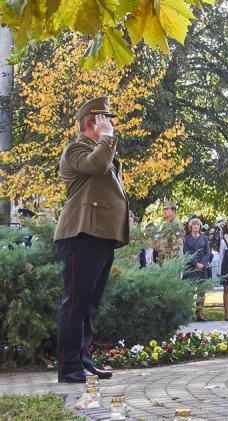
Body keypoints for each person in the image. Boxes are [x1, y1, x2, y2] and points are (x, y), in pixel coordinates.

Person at [54, 96, 128, 383]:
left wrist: (106, 142)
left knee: (88, 304)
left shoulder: (100, 151)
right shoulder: (76, 148)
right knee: (75, 302)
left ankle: (82, 361)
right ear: (90, 123)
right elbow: (96, 166)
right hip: (80, 234)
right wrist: (107, 140)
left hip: (99, 235)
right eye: (105, 120)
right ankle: (68, 366)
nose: (110, 125)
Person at [183, 218, 211, 321]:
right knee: (189, 292)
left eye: (197, 225)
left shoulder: (204, 239)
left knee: (201, 292)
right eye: (194, 224)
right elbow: (186, 253)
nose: (196, 226)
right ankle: (188, 314)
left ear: (200, 227)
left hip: (202, 269)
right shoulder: (186, 239)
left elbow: (208, 253)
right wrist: (195, 263)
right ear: (190, 227)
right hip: (190, 268)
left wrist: (202, 264)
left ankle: (200, 314)